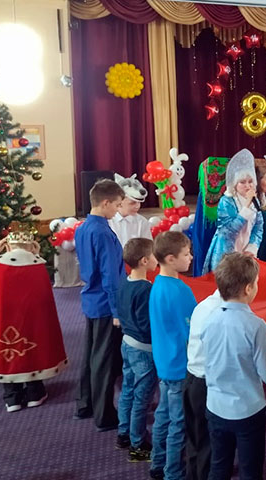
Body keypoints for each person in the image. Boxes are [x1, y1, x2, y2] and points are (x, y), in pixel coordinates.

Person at [202, 253, 266, 480]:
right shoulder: (255, 325)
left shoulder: (209, 319)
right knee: (250, 469)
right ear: (248, 288)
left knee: (219, 466)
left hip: (216, 405)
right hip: (247, 410)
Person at [0, 234, 67, 412]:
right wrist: (36, 255)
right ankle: (35, 394)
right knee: (32, 349)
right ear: (31, 247)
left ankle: (12, 398)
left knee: (7, 355)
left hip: (4, 320)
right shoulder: (36, 266)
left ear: (7, 247)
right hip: (31, 320)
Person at [74, 179, 127, 431]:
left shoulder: (83, 227)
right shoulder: (103, 232)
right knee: (104, 361)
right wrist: (117, 310)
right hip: (106, 303)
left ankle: (84, 404)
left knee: (90, 356)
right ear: (105, 203)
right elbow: (110, 276)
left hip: (91, 299)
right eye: (116, 205)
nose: (117, 210)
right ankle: (104, 415)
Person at [149, 232, 197, 480]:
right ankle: (173, 473)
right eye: (186, 254)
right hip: (180, 365)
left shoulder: (157, 284)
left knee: (163, 416)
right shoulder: (180, 291)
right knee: (179, 423)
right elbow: (193, 332)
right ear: (170, 258)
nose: (191, 258)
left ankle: (157, 462)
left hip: (164, 362)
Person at [116, 238, 159, 460]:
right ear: (144, 261)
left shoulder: (124, 282)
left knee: (128, 390)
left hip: (127, 342)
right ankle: (138, 443)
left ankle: (124, 433)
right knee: (142, 398)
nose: (156, 259)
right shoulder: (146, 289)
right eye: (154, 256)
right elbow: (146, 324)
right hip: (143, 348)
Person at [202, 149, 264, 273]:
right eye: (242, 182)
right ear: (235, 185)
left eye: (250, 182)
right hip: (227, 251)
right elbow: (228, 231)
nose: (248, 186)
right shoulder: (226, 201)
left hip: (246, 250)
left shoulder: (255, 201)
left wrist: (252, 248)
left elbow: (258, 228)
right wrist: (246, 207)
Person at [185, 288, 224, 480]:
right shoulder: (221, 314)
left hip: (191, 377)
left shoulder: (203, 306)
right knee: (208, 442)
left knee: (194, 437)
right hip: (206, 384)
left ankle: (192, 474)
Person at [109, 172, 152, 246]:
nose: (137, 206)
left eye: (139, 203)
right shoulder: (108, 222)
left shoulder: (142, 222)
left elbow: (147, 247)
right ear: (120, 202)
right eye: (132, 203)